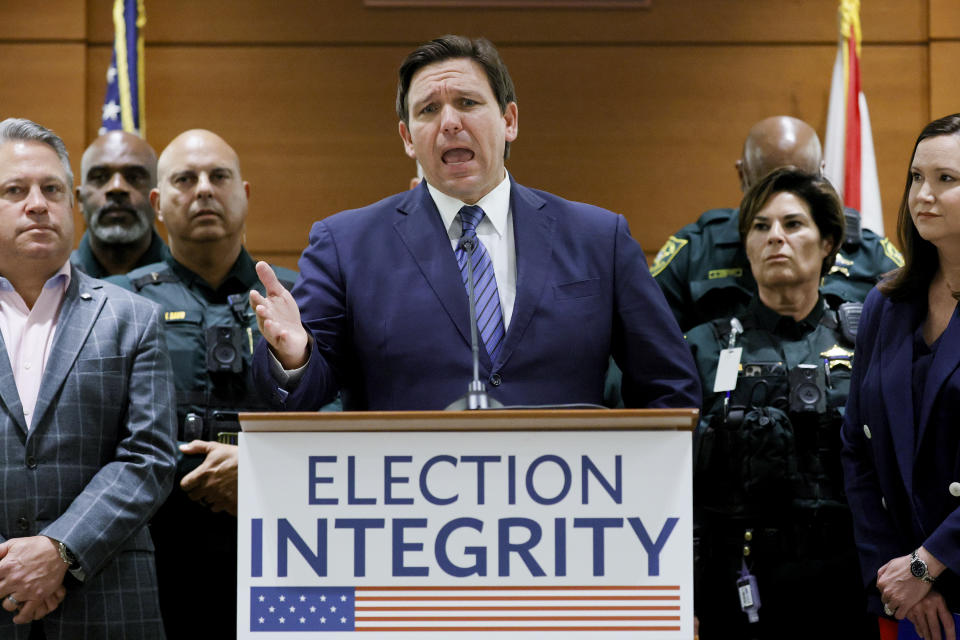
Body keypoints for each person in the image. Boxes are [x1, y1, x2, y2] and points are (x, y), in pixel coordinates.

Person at [249, 34, 700, 412]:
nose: (449, 122)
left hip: (569, 502)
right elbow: (302, 399)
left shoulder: (600, 238)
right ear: (408, 138)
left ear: (509, 120)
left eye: (467, 102)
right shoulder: (345, 245)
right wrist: (293, 357)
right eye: (427, 110)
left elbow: (670, 390)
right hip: (407, 504)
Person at [109, 129, 299, 640]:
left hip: (284, 541)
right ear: (158, 203)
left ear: (245, 193)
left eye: (219, 177)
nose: (204, 190)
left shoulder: (301, 296)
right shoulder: (112, 305)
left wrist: (259, 472)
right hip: (156, 547)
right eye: (185, 179)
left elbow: (341, 413)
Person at [0, 118, 176, 638]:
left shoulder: (133, 317)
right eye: (15, 190)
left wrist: (60, 550)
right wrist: (13, 566)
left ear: (71, 203)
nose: (38, 203)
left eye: (52, 189)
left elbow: (148, 458)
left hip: (106, 601)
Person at [687, 168, 874, 638]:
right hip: (734, 585)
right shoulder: (701, 349)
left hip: (846, 586)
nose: (776, 238)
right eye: (761, 227)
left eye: (793, 225)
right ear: (747, 245)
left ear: (828, 241)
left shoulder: (872, 346)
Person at [842, 113, 960, 640]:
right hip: (904, 600)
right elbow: (856, 451)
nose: (923, 195)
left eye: (946, 180)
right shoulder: (884, 304)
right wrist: (896, 573)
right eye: (916, 177)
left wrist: (930, 562)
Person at [652, 115, 904, 332]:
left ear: (821, 175)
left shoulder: (871, 254)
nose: (783, 196)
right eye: (768, 185)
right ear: (743, 175)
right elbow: (646, 341)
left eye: (800, 183)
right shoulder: (696, 250)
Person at [71, 131, 166, 278]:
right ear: (80, 200)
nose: (117, 187)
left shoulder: (193, 280)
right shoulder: (51, 281)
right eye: (100, 177)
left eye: (134, 177)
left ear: (158, 200)